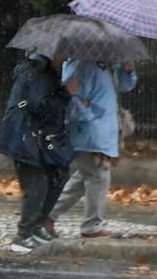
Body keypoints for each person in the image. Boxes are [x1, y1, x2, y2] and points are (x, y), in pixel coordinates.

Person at [0, 48, 76, 253]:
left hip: (36, 136)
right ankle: (23, 234)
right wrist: (67, 93)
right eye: (63, 54)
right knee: (37, 183)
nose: (66, 57)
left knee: (58, 174)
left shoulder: (44, 71)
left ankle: (37, 226)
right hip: (26, 136)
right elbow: (40, 106)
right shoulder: (37, 72)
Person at [50, 59, 137, 238]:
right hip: (91, 134)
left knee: (84, 179)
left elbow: (124, 86)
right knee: (98, 176)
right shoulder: (83, 65)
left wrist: (128, 70)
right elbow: (72, 101)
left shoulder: (107, 64)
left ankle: (47, 217)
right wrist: (90, 116)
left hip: (101, 133)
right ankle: (91, 226)